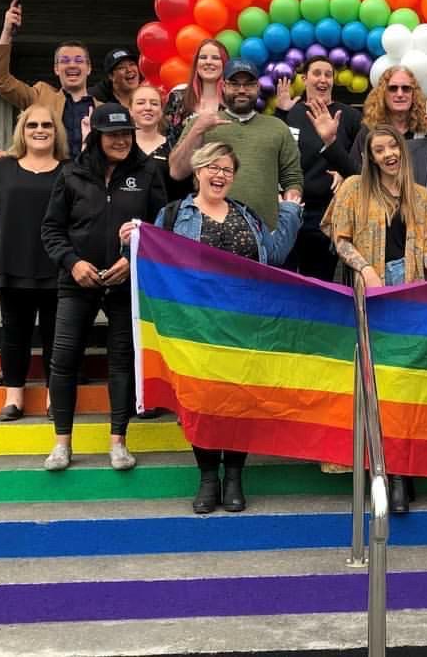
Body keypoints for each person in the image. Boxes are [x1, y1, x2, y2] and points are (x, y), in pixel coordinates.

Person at [124, 141, 303, 513]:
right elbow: (150, 259)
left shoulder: (247, 215)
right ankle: (208, 477)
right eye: (213, 167)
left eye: (227, 170)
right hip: (195, 329)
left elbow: (273, 256)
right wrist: (131, 241)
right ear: (198, 171)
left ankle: (234, 476)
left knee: (240, 401)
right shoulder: (174, 214)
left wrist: (289, 211)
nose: (220, 175)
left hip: (244, 327)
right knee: (201, 402)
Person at [321, 123, 427, 513]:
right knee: (373, 384)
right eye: (379, 149)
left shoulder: (422, 198)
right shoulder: (355, 188)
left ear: (402, 151)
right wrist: (365, 269)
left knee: (404, 386)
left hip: (409, 297)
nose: (388, 154)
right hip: (368, 298)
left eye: (393, 146)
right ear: (370, 157)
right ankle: (382, 473)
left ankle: (402, 475)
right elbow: (339, 238)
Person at [41, 103, 167, 472]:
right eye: (113, 135)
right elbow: (51, 229)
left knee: (122, 360)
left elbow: (161, 226)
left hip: (126, 281)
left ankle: (118, 443)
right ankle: (62, 443)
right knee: (64, 359)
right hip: (77, 281)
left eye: (126, 133)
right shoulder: (71, 173)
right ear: (96, 137)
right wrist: (72, 262)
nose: (121, 141)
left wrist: (132, 259)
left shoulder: (148, 172)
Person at [0, 105, 68, 421]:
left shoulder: (71, 170)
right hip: (12, 264)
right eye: (32, 125)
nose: (40, 130)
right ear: (22, 131)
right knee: (14, 334)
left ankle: (56, 397)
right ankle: (14, 397)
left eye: (47, 125)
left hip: (58, 266)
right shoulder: (3, 168)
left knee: (58, 336)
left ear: (56, 131)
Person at [170, 59, 303, 233]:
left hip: (263, 234)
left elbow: (292, 179)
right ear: (223, 86)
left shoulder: (278, 127)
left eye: (248, 84)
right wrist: (197, 130)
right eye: (234, 84)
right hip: (207, 232)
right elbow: (177, 172)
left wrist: (290, 206)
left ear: (258, 87)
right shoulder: (202, 123)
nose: (241, 90)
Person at [275, 55, 363, 281]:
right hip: (291, 211)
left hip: (329, 215)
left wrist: (343, 173)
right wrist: (281, 113)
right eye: (317, 73)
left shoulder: (350, 116)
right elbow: (277, 156)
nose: (323, 79)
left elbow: (362, 166)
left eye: (328, 74)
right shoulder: (290, 113)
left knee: (320, 282)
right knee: (284, 281)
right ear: (304, 79)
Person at [0, 0, 99, 158]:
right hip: (49, 173)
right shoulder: (40, 97)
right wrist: (7, 32)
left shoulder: (103, 109)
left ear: (89, 68)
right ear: (56, 69)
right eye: (65, 61)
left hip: (90, 174)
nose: (72, 65)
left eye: (79, 60)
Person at [351, 65, 427, 167]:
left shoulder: (426, 130)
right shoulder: (369, 131)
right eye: (393, 88)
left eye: (406, 88)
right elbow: (355, 169)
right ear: (382, 94)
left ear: (414, 94)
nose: (400, 94)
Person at [168, 40, 228, 148]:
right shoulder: (177, 97)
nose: (208, 62)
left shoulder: (233, 101)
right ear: (196, 63)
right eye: (203, 57)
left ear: (224, 63)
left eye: (215, 58)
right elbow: (166, 138)